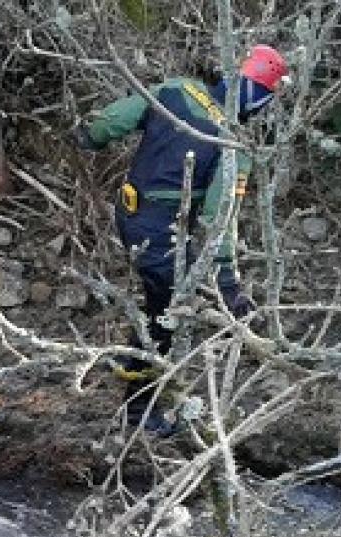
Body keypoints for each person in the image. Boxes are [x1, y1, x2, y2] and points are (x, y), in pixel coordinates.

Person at [74, 45, 289, 350]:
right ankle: (142, 391)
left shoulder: (177, 88)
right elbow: (220, 217)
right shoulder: (234, 145)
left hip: (126, 212)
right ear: (257, 97)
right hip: (162, 232)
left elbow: (111, 121)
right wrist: (227, 279)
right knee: (165, 314)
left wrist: (89, 136)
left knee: (167, 293)